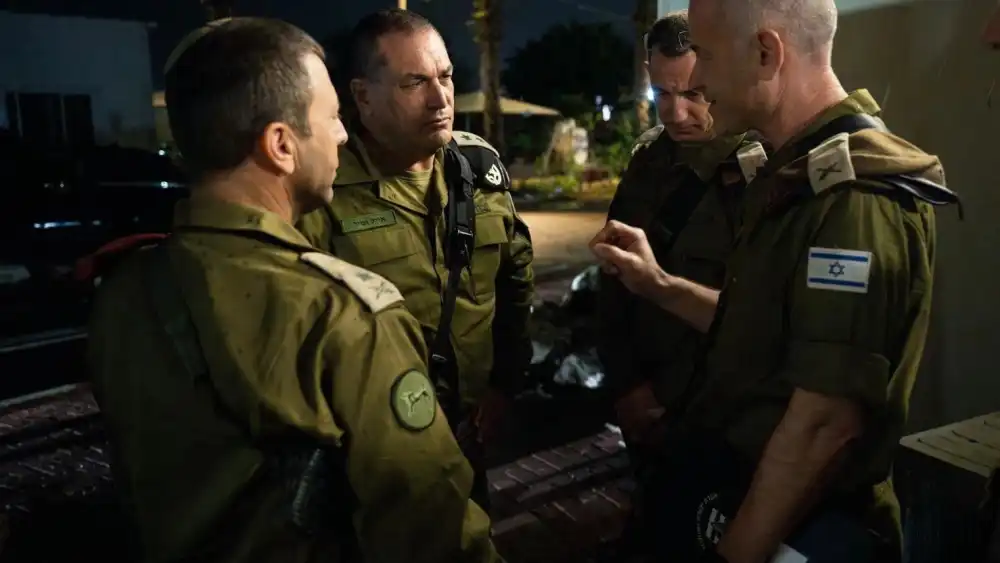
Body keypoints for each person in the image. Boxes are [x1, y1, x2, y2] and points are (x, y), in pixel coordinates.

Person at [86, 18, 499, 563]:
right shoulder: (343, 317)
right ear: (281, 145)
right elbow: (433, 532)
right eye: (330, 117)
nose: (344, 134)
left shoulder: (122, 294)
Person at [590, 0, 960, 562]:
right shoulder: (792, 173)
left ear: (767, 53)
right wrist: (659, 283)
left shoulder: (851, 197)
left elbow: (823, 423)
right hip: (740, 489)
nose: (701, 80)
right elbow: (758, 327)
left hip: (803, 528)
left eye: (707, 57)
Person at [297, 9, 534, 513]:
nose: (440, 98)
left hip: (468, 436)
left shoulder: (479, 168)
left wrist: (502, 388)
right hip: (373, 456)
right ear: (362, 97)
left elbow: (515, 283)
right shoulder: (324, 192)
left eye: (446, 76)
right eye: (415, 82)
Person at [600, 10, 767, 454]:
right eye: (661, 93)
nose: (677, 113)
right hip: (645, 404)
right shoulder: (648, 161)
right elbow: (613, 286)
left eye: (694, 93)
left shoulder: (765, 170)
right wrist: (626, 387)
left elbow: (763, 324)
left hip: (723, 413)